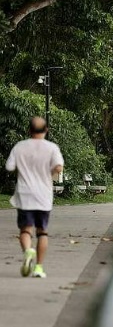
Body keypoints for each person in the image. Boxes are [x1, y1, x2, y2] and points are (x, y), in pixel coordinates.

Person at [5, 116, 64, 278]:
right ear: (46, 130)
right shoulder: (52, 147)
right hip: (43, 196)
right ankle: (38, 267)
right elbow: (59, 168)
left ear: (29, 130)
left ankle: (28, 251)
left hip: (24, 195)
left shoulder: (19, 147)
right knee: (42, 232)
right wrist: (50, 172)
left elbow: (9, 167)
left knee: (25, 230)